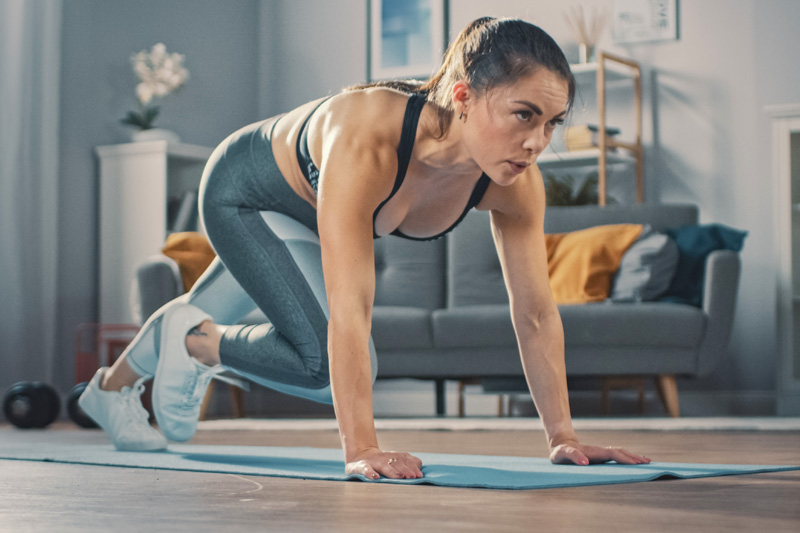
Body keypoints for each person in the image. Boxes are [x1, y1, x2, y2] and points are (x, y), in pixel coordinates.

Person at [79, 17, 650, 479]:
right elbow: (349, 306)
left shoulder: (515, 184)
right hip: (247, 196)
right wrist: (362, 448)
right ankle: (196, 343)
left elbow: (534, 313)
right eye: (524, 115)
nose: (537, 142)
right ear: (464, 97)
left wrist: (563, 439)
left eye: (551, 123)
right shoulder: (370, 140)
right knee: (326, 365)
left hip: (299, 220)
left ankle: (108, 391)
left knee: (306, 339)